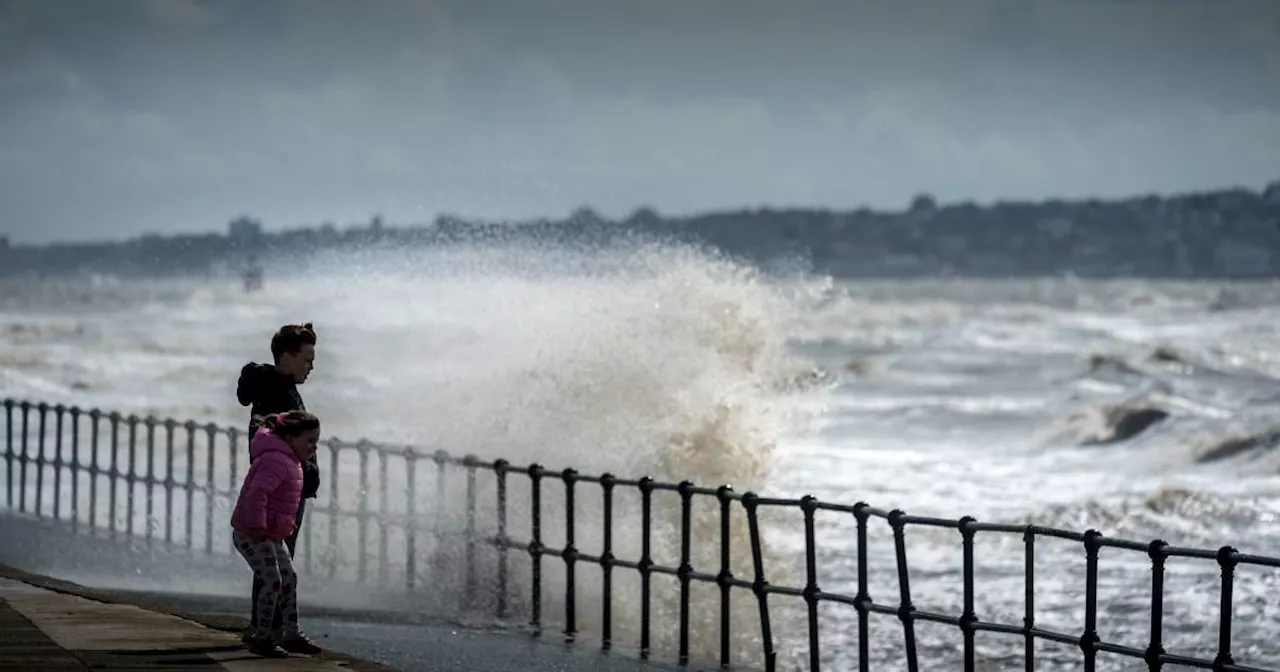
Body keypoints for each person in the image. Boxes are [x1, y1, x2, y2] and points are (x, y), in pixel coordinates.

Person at [235, 322, 319, 639]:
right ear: (286, 356)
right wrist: (305, 473)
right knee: (275, 565)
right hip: (280, 493)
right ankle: (268, 630)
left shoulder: (280, 387)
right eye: (306, 360)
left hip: (287, 490)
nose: (311, 367)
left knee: (276, 566)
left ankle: (272, 628)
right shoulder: (276, 391)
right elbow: (274, 446)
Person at [230, 411, 324, 657]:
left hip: (270, 534)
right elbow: (257, 495)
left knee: (289, 578)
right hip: (251, 533)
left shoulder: (291, 461)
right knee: (273, 580)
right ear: (291, 437)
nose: (314, 447)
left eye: (317, 441)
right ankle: (262, 638)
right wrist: (259, 527)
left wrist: (284, 525)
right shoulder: (276, 460)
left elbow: (282, 500)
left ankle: (291, 634)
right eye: (310, 440)